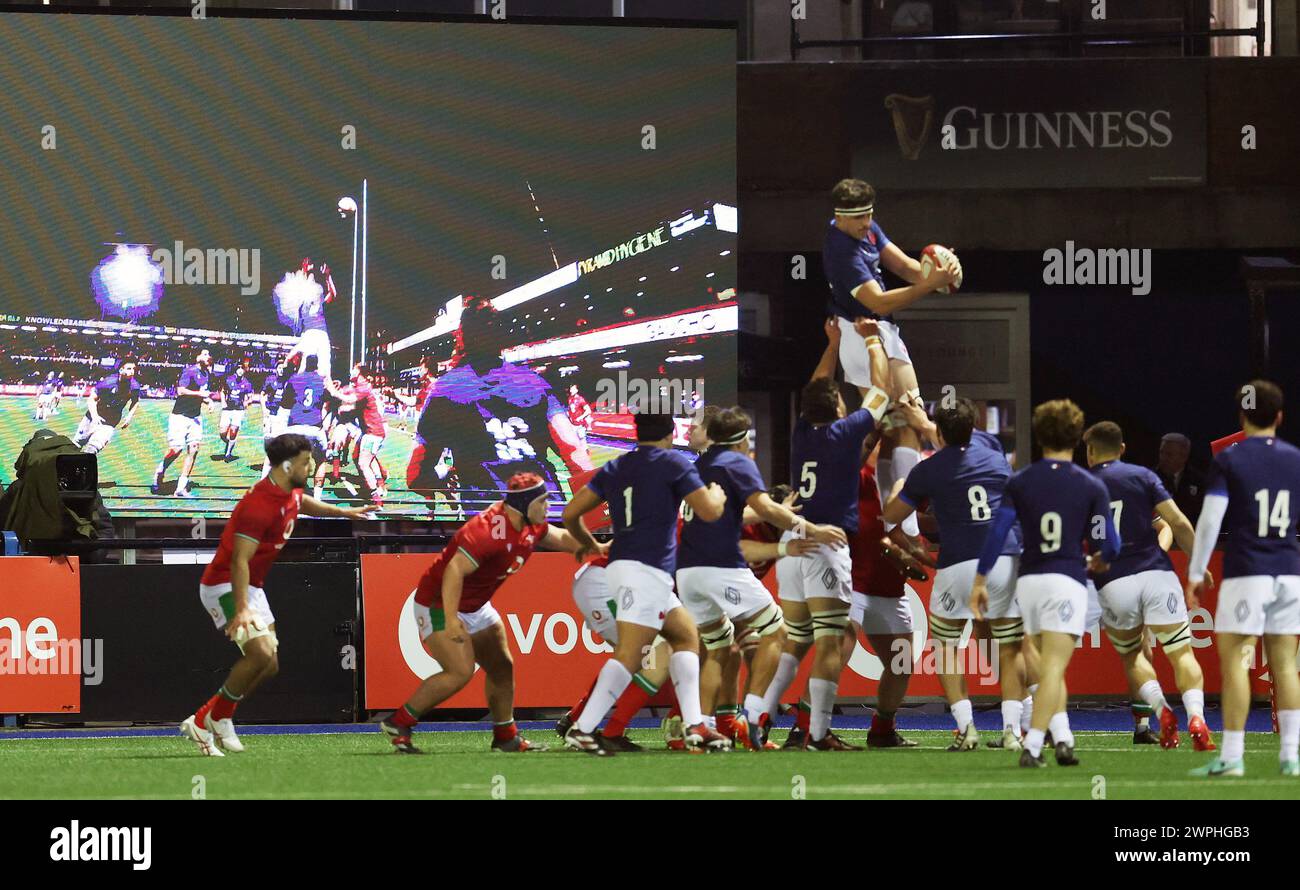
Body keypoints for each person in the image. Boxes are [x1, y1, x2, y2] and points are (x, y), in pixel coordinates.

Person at [180, 434, 376, 756]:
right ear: (287, 465)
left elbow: (305, 503)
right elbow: (239, 560)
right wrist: (241, 609)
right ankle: (206, 720)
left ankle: (215, 716)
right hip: (225, 585)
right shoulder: (259, 505)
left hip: (251, 586)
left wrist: (345, 513)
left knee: (269, 665)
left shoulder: (290, 489)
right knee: (259, 654)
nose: (311, 466)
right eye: (305, 461)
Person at [380, 473, 590, 753]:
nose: (548, 506)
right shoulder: (487, 530)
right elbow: (454, 571)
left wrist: (596, 548)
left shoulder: (529, 524)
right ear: (526, 504)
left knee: (502, 666)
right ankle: (399, 720)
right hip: (439, 603)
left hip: (475, 605)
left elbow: (560, 537)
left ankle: (506, 736)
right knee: (459, 671)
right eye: (543, 500)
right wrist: (453, 620)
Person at [559, 410, 729, 755]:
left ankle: (695, 723)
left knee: (685, 635)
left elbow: (570, 514)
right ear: (670, 433)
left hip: (626, 564)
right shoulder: (674, 463)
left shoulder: (617, 466)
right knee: (631, 654)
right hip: (645, 568)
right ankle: (584, 727)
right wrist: (719, 497)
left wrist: (587, 542)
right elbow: (708, 512)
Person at [678, 405, 846, 751]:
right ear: (741, 441)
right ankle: (752, 715)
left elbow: (729, 516)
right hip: (720, 566)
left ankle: (702, 727)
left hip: (689, 570)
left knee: (718, 646)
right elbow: (767, 508)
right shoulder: (738, 463)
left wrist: (785, 513)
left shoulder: (700, 466)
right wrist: (811, 528)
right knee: (778, 631)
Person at [761, 317, 890, 750]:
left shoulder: (801, 434)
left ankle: (758, 720)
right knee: (830, 641)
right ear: (837, 407)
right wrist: (873, 342)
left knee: (796, 640)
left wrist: (833, 342)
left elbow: (817, 383)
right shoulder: (843, 432)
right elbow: (881, 395)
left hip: (795, 549)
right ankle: (816, 734)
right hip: (827, 546)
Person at [972, 399, 1119, 768]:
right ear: (1075, 436)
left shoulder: (1019, 480)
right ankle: (1034, 746)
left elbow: (998, 531)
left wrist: (980, 579)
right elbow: (1111, 543)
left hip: (1029, 582)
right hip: (1066, 579)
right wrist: (1103, 559)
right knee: (1054, 667)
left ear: (1039, 436)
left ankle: (1064, 738)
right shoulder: (1090, 484)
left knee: (1044, 665)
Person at [884, 396, 1028, 751]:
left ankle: (967, 729)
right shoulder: (995, 456)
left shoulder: (928, 469)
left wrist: (902, 487)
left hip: (958, 562)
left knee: (947, 645)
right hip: (1003, 557)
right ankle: (1013, 732)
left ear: (941, 434)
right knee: (1009, 647)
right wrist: (925, 423)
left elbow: (891, 515)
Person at [820, 177, 957, 545]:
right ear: (839, 217)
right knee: (904, 424)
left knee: (900, 424)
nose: (867, 224)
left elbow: (908, 267)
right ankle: (905, 528)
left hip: (876, 331)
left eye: (869, 215)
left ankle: (892, 523)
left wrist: (937, 275)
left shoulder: (867, 229)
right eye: (859, 219)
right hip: (862, 331)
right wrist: (929, 286)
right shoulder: (840, 252)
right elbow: (878, 302)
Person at [1187, 380, 1300, 777]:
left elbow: (1211, 519)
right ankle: (1290, 755)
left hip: (1248, 569)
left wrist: (1196, 572)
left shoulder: (1229, 460)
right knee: (1285, 665)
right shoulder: (1295, 458)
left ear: (1241, 416)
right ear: (1280, 416)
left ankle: (1233, 757)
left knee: (1235, 659)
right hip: (1289, 570)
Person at [1082, 421, 1216, 752]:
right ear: (1123, 449)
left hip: (1113, 581)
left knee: (1133, 655)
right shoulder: (1143, 476)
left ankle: (1161, 712)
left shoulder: (1080, 484)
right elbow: (1179, 522)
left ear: (1089, 452)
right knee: (1181, 653)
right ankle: (1197, 718)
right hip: (1157, 574)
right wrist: (1199, 566)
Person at [407, 295, 593, 514]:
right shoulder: (535, 382)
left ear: (462, 337)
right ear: (502, 336)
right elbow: (576, 456)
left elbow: (416, 475)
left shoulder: (445, 390)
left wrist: (447, 475)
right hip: (546, 518)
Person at [152, 348, 215, 498]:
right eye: (204, 353)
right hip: (180, 415)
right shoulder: (190, 371)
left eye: (209, 354)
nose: (207, 356)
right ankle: (160, 470)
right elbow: (181, 390)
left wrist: (208, 401)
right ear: (197, 357)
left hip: (195, 417)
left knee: (194, 449)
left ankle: (181, 487)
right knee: (177, 449)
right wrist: (200, 394)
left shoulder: (207, 374)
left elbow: (202, 394)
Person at [73, 357, 142, 456]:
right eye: (129, 368)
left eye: (134, 369)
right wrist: (95, 416)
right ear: (121, 370)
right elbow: (92, 399)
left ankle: (81, 470)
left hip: (110, 422)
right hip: (92, 418)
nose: (132, 372)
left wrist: (129, 416)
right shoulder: (108, 382)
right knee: (76, 445)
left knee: (92, 450)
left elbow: (135, 401)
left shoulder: (134, 386)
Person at [1154, 432, 1205, 523]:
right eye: (1162, 452)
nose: (1163, 458)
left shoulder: (1199, 482)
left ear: (1184, 456)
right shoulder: (1150, 478)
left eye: (1169, 454)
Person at [217, 363, 255, 462]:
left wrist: (247, 402)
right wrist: (223, 402)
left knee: (233, 432)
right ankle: (229, 443)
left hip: (239, 410)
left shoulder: (247, 383)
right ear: (235, 370)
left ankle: (228, 454)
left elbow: (251, 396)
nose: (240, 370)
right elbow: (222, 391)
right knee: (223, 433)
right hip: (227, 410)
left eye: (242, 368)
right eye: (239, 368)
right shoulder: (229, 380)